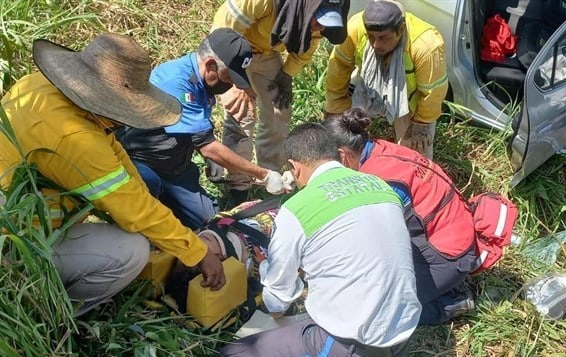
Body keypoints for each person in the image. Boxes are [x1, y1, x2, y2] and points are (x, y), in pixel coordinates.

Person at [0, 33, 225, 316]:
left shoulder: (36, 84)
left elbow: (115, 153)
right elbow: (133, 210)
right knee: (131, 251)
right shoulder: (75, 139)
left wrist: (161, 224)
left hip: (18, 211)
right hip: (18, 241)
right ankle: (52, 312)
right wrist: (197, 251)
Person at [221, 123, 421, 356]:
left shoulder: (298, 208)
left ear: (294, 168)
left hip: (355, 341)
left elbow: (278, 301)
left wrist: (269, 274)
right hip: (405, 324)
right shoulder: (380, 186)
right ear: (338, 155)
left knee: (234, 352)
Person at [115, 28, 290, 231]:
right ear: (210, 65)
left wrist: (209, 160)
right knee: (152, 220)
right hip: (142, 163)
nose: (231, 83)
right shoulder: (177, 83)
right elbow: (208, 146)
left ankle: (169, 204)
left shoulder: (204, 82)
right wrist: (264, 175)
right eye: (229, 76)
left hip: (176, 169)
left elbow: (198, 132)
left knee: (212, 224)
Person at [323, 108, 478, 325]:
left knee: (378, 314)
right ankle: (441, 285)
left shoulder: (377, 182)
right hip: (453, 233)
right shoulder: (381, 149)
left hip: (447, 255)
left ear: (343, 156)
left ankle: (451, 303)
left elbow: (377, 244)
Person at [212, 0, 350, 203]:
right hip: (230, 52)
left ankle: (270, 175)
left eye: (326, 24)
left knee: (280, 110)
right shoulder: (261, 2)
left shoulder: (314, 21)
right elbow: (222, 32)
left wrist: (287, 73)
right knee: (242, 111)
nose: (320, 27)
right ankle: (238, 184)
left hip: (265, 54)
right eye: (318, 20)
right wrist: (235, 82)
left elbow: (307, 46)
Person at [325, 0, 448, 159]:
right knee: (343, 132)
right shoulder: (356, 27)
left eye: (383, 38)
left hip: (407, 97)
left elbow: (433, 92)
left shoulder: (426, 46)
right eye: (371, 37)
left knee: (415, 152)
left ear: (401, 29)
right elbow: (338, 67)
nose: (376, 45)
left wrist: (421, 124)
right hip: (366, 84)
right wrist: (335, 106)